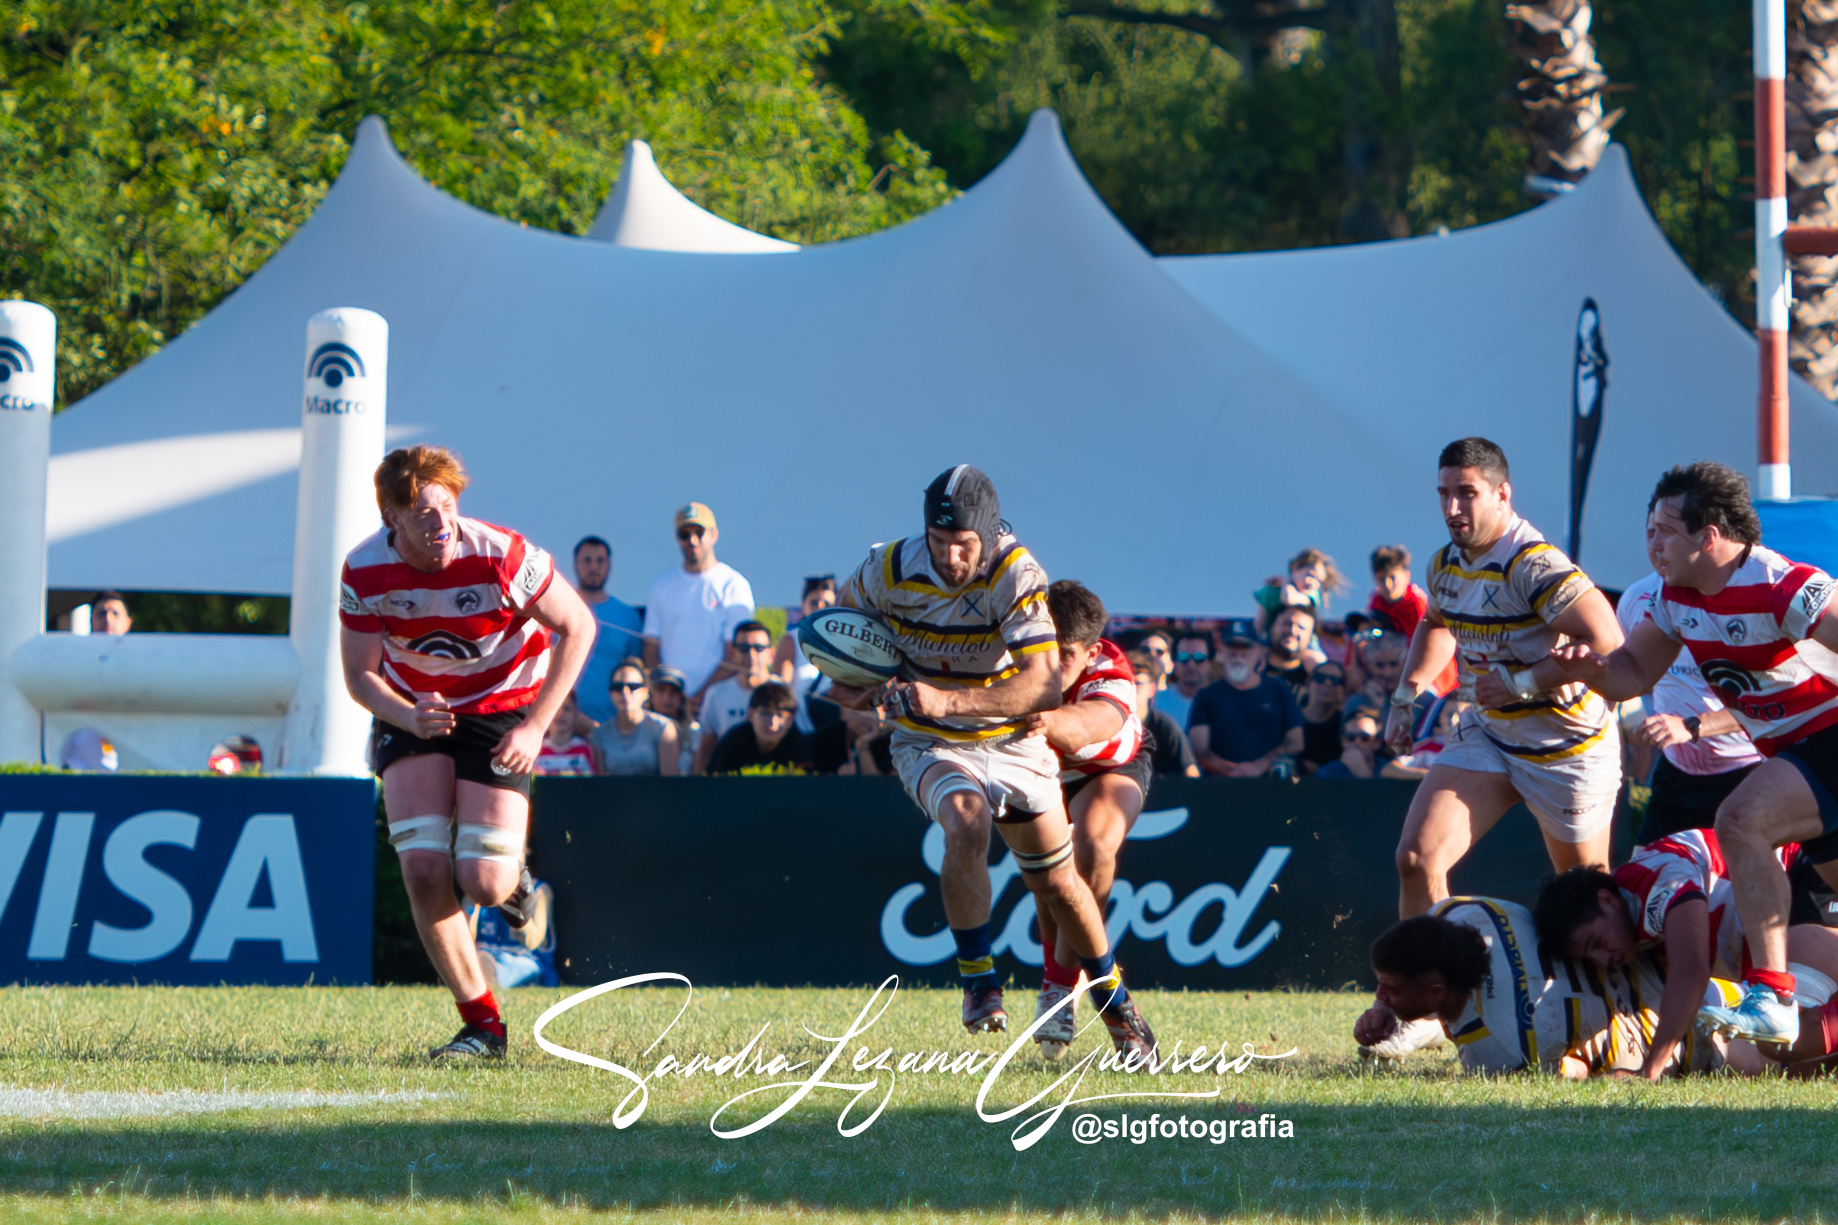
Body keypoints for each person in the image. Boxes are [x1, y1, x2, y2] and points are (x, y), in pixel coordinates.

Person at [828, 465, 1155, 1058]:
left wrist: (947, 697)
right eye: (939, 540)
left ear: (988, 532)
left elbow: (1044, 688)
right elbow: (844, 642)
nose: (951, 557)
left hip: (1011, 738)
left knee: (1060, 883)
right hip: (930, 740)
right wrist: (856, 684)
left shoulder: (1016, 571)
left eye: (964, 544)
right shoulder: (886, 569)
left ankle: (1115, 1005)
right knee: (966, 817)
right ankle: (980, 982)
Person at [1545, 461, 1838, 1045]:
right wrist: (1587, 670)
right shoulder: (1675, 599)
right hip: (1799, 755)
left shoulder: (1783, 584)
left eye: (1665, 531)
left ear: (1710, 535)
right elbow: (1631, 673)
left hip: (1826, 740)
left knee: (1740, 820)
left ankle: (1773, 994)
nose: (1652, 544)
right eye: (1648, 531)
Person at [339, 445, 594, 1060]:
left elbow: (578, 625)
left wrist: (535, 728)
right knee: (424, 868)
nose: (439, 523)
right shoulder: (363, 568)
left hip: (504, 706)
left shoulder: (502, 554)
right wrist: (405, 714)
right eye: (421, 513)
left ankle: (513, 883)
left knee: (481, 882)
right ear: (390, 518)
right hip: (415, 709)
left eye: (447, 506)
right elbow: (358, 676)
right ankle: (483, 1026)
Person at [1386, 436, 1624, 914]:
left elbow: (1608, 641)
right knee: (1416, 860)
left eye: (1467, 493)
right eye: (1443, 493)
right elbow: (1437, 622)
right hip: (1490, 734)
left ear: (1502, 494)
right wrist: (1404, 698)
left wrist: (1522, 683)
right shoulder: (1445, 565)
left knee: (1585, 903)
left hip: (1566, 747)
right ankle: (1423, 987)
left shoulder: (1534, 564)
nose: (1452, 508)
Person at [1534, 834, 1838, 1080]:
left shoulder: (1656, 884)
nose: (1603, 959)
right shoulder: (1636, 913)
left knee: (1796, 1033)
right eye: (1590, 957)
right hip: (1789, 905)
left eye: (1596, 942)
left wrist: (1649, 1071)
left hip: (1804, 875)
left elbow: (1691, 971)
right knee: (1800, 1063)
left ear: (1606, 899)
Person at [1354, 901, 1723, 1076]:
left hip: (1705, 1030)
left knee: (1764, 1055)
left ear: (1436, 994)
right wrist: (1388, 1008)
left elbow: (1580, 1074)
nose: (1380, 995)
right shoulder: (1465, 914)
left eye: (1389, 988)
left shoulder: (1501, 1052)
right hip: (1679, 972)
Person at [1028, 581, 1156, 1056]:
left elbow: (1088, 725)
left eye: (1064, 654)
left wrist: (1036, 719)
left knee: (1095, 846)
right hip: (1039, 767)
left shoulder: (1114, 673)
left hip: (1106, 767)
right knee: (1048, 873)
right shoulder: (1012, 653)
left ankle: (1059, 988)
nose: (1050, 663)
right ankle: (1065, 983)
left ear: (1092, 651)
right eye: (1044, 648)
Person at [1615, 564, 1764, 843]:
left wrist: (1691, 725)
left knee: (1737, 881)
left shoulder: (1743, 604)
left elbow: (1768, 701)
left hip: (1744, 772)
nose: (1658, 544)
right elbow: (1625, 674)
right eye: (1652, 532)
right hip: (1675, 775)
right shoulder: (1636, 598)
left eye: (1668, 533)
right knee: (1643, 877)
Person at [641, 503, 755, 707]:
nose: (692, 541)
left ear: (714, 535)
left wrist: (701, 696)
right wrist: (667, 694)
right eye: (684, 534)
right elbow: (651, 647)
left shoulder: (733, 584)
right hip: (671, 704)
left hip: (717, 700)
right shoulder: (661, 585)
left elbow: (735, 654)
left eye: (699, 532)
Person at [1187, 618, 1304, 778]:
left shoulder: (1278, 689)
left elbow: (1296, 741)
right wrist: (1235, 771)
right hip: (1220, 787)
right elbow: (1200, 752)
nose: (1238, 654)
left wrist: (1261, 766)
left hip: (1271, 785)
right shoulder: (1206, 695)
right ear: (1221, 651)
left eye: (1246, 647)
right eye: (1232, 647)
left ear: (1260, 651)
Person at [570, 536, 646, 723]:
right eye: (587, 560)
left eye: (600, 561)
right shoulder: (559, 609)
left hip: (613, 727)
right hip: (563, 727)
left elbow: (635, 669)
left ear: (609, 566)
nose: (593, 567)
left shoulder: (628, 617)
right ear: (575, 565)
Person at [694, 621, 777, 773]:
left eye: (759, 649)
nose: (751, 655)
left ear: (771, 654)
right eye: (744, 649)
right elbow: (706, 746)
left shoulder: (784, 691)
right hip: (730, 779)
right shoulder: (717, 694)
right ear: (733, 653)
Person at [462, 877, 558, 989]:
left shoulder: (539, 890)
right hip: (485, 954)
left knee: (516, 968)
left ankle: (487, 977)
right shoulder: (477, 892)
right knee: (475, 959)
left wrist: (508, 905)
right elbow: (465, 937)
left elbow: (534, 942)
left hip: (522, 959)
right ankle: (480, 974)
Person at [591, 657, 681, 775]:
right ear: (610, 693)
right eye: (618, 687)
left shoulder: (663, 729)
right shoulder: (600, 734)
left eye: (633, 687)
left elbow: (670, 784)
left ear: (646, 691)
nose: (625, 693)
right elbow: (601, 783)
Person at [776, 575, 840, 733]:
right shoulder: (791, 641)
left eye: (826, 604)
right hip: (802, 731)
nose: (819, 607)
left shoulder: (846, 644)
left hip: (837, 729)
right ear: (802, 605)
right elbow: (782, 688)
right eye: (813, 603)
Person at [710, 682, 813, 773]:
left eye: (780, 715)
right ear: (751, 714)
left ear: (791, 719)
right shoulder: (733, 743)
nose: (773, 724)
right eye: (765, 714)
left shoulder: (802, 749)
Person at [1129, 650, 1199, 777]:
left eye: (1138, 683)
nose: (1132, 689)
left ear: (1151, 689)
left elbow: (1191, 773)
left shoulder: (1164, 726)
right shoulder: (1111, 725)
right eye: (1128, 683)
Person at [1253, 547, 1347, 636]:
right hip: (1274, 636)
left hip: (1304, 643)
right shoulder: (1273, 592)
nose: (1313, 583)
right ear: (1295, 568)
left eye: (1319, 581)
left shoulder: (1310, 597)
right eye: (1310, 575)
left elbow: (1289, 599)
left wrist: (1285, 582)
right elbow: (1261, 618)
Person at [646, 665, 699, 775]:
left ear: (682, 698)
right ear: (650, 695)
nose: (667, 698)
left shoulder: (694, 733)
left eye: (673, 692)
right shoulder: (638, 730)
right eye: (661, 690)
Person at [1366, 545, 1428, 639]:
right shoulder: (1377, 601)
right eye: (1381, 578)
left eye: (1393, 577)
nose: (1387, 585)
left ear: (1406, 576)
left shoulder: (1417, 604)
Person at [1263, 605, 1323, 701]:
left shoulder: (1313, 681)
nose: (1293, 631)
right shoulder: (1251, 669)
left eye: (1301, 628)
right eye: (1287, 624)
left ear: (1310, 638)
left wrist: (1319, 672)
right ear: (1271, 627)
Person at [1153, 633, 1212, 729]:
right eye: (1184, 657)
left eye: (1199, 657)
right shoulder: (1156, 703)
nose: (1191, 664)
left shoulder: (1223, 703)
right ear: (1174, 661)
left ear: (1210, 662)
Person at [1297, 662, 1348, 773]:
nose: (1327, 683)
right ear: (1308, 683)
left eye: (1335, 680)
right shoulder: (1290, 718)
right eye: (1320, 678)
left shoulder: (1344, 726)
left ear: (1343, 690)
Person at [534, 690, 597, 775]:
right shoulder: (536, 749)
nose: (560, 713)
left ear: (575, 715)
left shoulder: (583, 749)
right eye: (555, 709)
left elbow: (591, 782)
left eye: (566, 709)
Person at [1314, 702, 1383, 779]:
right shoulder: (1328, 773)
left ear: (1377, 742)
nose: (1357, 742)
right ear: (1343, 742)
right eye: (1351, 738)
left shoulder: (1388, 769)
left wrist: (1362, 773)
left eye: (1365, 738)